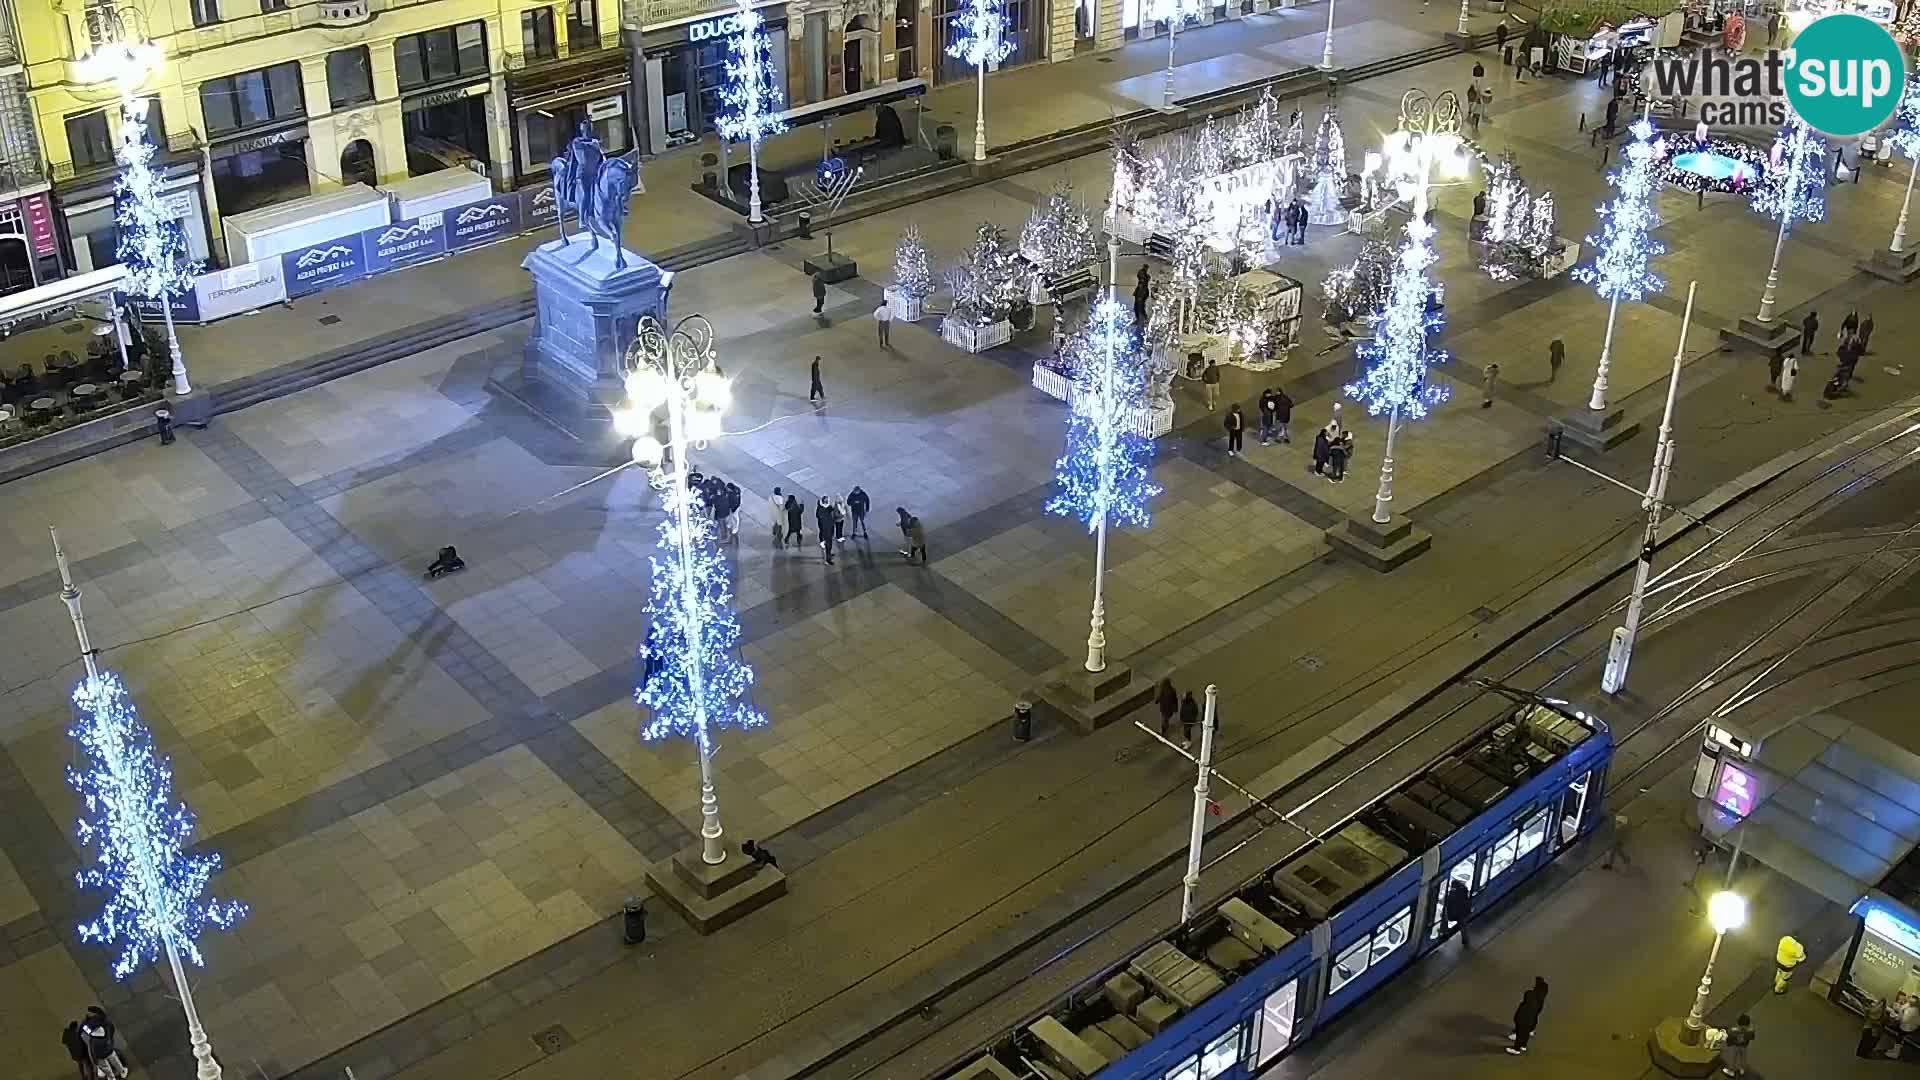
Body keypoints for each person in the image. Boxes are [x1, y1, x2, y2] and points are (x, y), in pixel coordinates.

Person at [81, 1008, 126, 1080]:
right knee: (115, 1060)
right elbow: (105, 1019)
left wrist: (94, 1061)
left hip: (100, 1055)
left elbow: (92, 1051)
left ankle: (112, 1078)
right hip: (109, 1050)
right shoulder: (105, 1027)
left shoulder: (92, 1039)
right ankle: (122, 1071)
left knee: (106, 1067)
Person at [1507, 976, 1548, 1053]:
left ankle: (1516, 1049)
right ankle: (1523, 1045)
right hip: (1531, 1019)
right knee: (1526, 1032)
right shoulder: (1539, 999)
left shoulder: (1529, 1003)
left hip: (1525, 1019)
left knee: (1522, 1031)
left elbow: (1520, 1016)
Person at [1443, 879, 1471, 946]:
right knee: (1463, 926)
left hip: (1457, 913)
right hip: (1464, 912)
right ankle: (1465, 941)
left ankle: (1446, 933)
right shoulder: (1463, 890)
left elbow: (1449, 904)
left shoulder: (1452, 895)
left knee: (1462, 926)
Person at [815, 496, 837, 565]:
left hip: (829, 528)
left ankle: (829, 554)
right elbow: (821, 518)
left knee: (829, 543)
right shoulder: (821, 509)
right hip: (826, 529)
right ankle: (828, 559)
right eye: (826, 500)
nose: (827, 501)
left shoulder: (827, 507)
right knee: (828, 544)